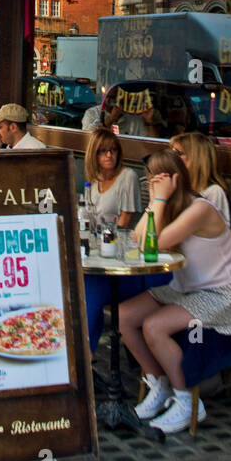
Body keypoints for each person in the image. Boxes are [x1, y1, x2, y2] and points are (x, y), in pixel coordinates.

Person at [118, 148, 231, 435]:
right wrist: (156, 201)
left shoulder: (200, 209)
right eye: (150, 180)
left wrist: (160, 199)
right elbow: (139, 239)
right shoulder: (168, 207)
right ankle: (160, 385)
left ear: (174, 180)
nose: (151, 185)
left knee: (154, 327)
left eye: (156, 180)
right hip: (185, 289)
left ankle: (188, 401)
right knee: (125, 316)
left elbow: (154, 243)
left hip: (221, 295)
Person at [81, 128, 149, 351]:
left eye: (113, 151)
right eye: (103, 152)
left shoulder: (127, 177)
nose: (109, 156)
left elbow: (125, 221)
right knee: (79, 282)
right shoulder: (94, 180)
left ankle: (87, 354)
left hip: (124, 257)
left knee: (89, 287)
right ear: (94, 156)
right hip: (99, 253)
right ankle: (84, 350)